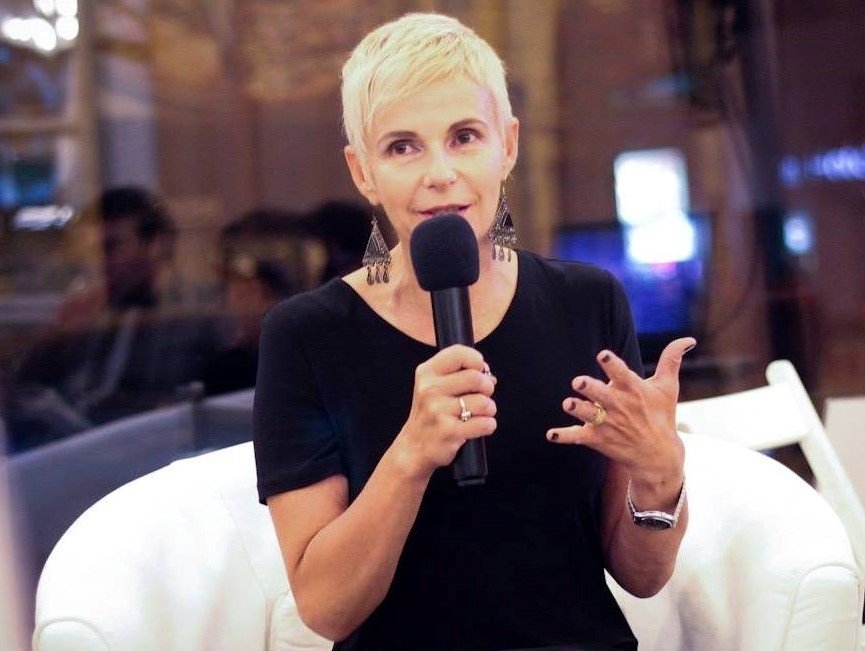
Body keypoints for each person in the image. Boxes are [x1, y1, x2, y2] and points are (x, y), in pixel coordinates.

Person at [254, 13, 695, 650]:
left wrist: (659, 479)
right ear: (362, 171)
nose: (439, 172)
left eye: (464, 137)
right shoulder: (305, 336)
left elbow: (641, 577)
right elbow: (326, 609)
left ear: (507, 145)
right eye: (402, 147)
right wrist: (410, 455)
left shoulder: (587, 302)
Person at [6, 186, 219, 451]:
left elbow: (174, 411)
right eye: (92, 252)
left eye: (111, 248)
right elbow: (23, 390)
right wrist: (57, 336)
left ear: (156, 245)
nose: (101, 263)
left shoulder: (191, 318)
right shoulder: (94, 315)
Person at [202, 254, 295, 396]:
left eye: (250, 293)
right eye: (238, 293)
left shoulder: (295, 359)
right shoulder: (225, 365)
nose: (240, 304)